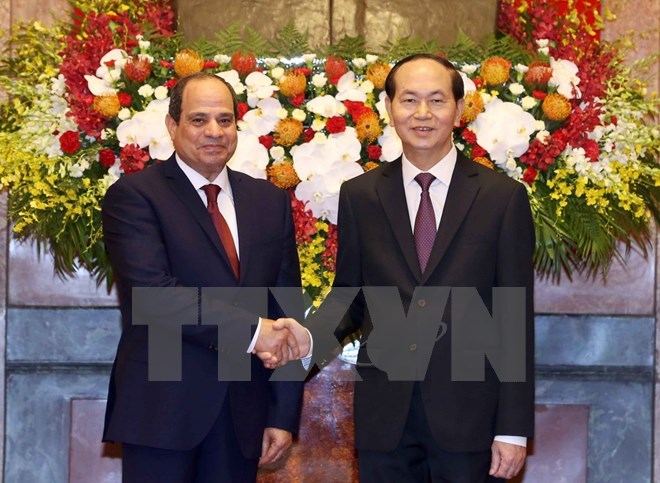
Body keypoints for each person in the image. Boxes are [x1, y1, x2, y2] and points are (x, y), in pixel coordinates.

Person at [266, 53, 535, 482]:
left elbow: (513, 316)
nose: (422, 113)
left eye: (437, 100)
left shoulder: (502, 198)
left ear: (460, 110)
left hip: (470, 421)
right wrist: (303, 344)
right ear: (389, 108)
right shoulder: (361, 195)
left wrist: (514, 429)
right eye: (409, 100)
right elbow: (349, 297)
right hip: (385, 421)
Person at [102, 72, 306, 483]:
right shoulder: (135, 196)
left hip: (243, 418)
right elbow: (154, 296)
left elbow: (285, 308)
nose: (214, 131)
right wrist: (253, 332)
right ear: (172, 126)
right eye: (198, 120)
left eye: (225, 120)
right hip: (163, 412)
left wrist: (282, 414)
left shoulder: (268, 201)